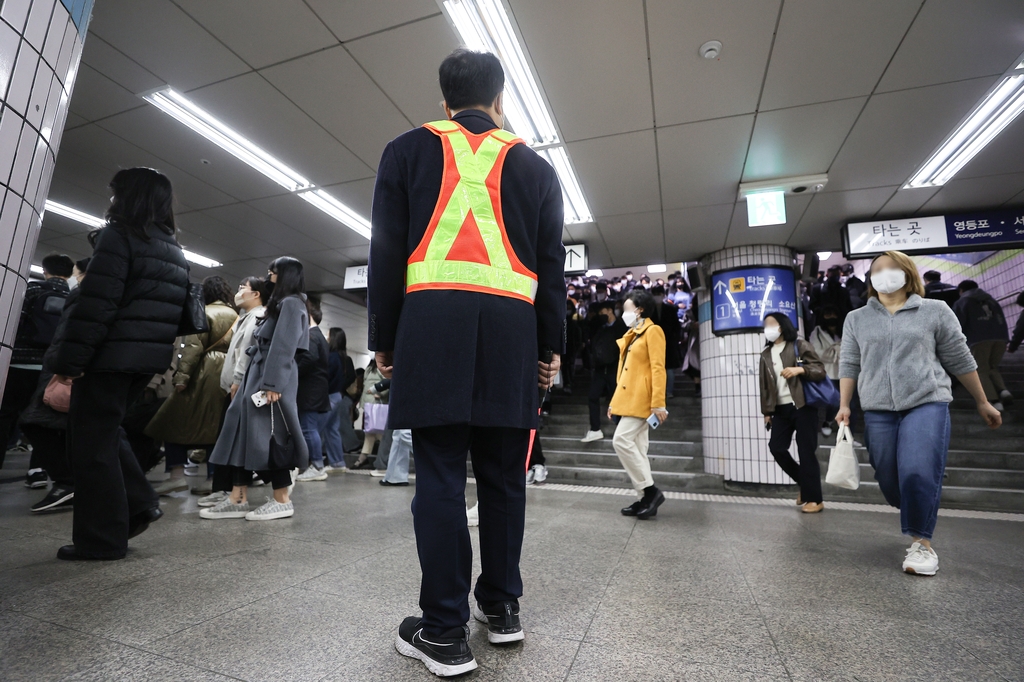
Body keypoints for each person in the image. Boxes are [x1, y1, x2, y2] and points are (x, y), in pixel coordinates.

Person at [367, 49, 564, 676]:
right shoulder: (535, 167)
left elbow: (387, 253)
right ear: (499, 99)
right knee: (505, 478)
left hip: (432, 329)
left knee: (442, 475)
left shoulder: (406, 150)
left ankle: (444, 630)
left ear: (444, 101)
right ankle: (502, 610)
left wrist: (385, 338)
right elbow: (553, 268)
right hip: (513, 335)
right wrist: (550, 347)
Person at [49, 168, 190, 560]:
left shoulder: (122, 235)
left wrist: (71, 361)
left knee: (90, 445)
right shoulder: (173, 249)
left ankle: (102, 540)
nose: (110, 200)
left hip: (110, 356)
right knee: (107, 434)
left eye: (115, 193)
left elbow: (98, 304)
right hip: (144, 361)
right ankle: (139, 504)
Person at [837, 250, 1001, 576]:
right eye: (877, 269)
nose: (883, 273)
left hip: (927, 402)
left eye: (891, 267)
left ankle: (922, 545)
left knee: (917, 470)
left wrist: (982, 400)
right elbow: (849, 363)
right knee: (888, 478)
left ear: (907, 272)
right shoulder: (857, 318)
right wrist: (844, 405)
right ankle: (915, 505)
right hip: (878, 409)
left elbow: (959, 357)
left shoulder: (935, 311)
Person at [202, 257, 310, 521]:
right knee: (243, 436)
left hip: (269, 378)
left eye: (272, 272)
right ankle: (237, 497)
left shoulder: (292, 303)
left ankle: (282, 500)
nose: (268, 276)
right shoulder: (281, 304)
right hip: (258, 375)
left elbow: (284, 346)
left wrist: (272, 384)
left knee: (271, 436)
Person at [144, 276, 237, 495]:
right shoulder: (236, 316)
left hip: (203, 371)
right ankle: (213, 477)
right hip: (228, 372)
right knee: (216, 426)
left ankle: (176, 475)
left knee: (172, 419)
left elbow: (193, 346)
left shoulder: (203, 312)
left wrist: (182, 378)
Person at [0, 252, 72, 480]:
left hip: (19, 362)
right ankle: (38, 471)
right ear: (69, 274)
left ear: (45, 270)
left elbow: (16, 322)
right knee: (41, 421)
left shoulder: (32, 289)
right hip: (50, 368)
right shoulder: (73, 297)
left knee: (5, 416)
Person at [759, 312, 828, 513]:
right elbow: (764, 386)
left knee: (806, 452)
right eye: (765, 325)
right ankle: (807, 486)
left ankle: (815, 499)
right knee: (776, 447)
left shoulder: (799, 345)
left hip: (803, 406)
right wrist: (766, 412)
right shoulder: (765, 354)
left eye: (771, 324)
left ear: (782, 326)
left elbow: (820, 369)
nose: (767, 328)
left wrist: (800, 370)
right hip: (780, 409)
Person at [609, 289, 668, 519]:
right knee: (639, 450)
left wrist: (658, 403)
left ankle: (651, 492)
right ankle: (643, 498)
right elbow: (624, 374)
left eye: (627, 309)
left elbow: (658, 368)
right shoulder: (633, 334)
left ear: (640, 309)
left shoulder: (653, 331)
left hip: (643, 401)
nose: (623, 313)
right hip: (629, 400)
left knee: (621, 441)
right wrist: (615, 403)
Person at [953, 280, 1011, 411]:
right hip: (1000, 338)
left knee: (980, 370)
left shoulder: (962, 302)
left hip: (978, 339)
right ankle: (1003, 391)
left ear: (961, 290)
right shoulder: (992, 301)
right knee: (992, 367)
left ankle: (994, 401)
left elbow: (957, 323)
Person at [296, 297, 332, 482]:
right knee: (311, 429)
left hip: (310, 390)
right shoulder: (319, 335)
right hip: (317, 389)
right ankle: (315, 464)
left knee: (309, 429)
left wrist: (293, 371)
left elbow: (309, 358)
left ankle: (317, 465)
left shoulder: (311, 335)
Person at [582, 302, 627, 442]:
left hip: (615, 368)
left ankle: (622, 430)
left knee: (618, 399)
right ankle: (595, 429)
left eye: (603, 313)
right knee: (593, 396)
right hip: (600, 368)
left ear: (610, 311)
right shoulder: (599, 328)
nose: (601, 316)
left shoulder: (621, 327)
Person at [325, 327, 360, 468]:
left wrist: (336, 385)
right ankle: (337, 459)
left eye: (328, 336)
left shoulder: (330, 357)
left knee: (318, 427)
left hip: (331, 395)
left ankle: (317, 461)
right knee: (333, 428)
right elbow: (351, 376)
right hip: (341, 396)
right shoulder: (347, 359)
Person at [809, 305, 842, 436]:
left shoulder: (844, 331)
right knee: (829, 401)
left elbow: (849, 352)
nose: (831, 318)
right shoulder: (816, 333)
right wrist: (837, 350)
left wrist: (832, 351)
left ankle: (831, 423)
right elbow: (818, 354)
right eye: (828, 315)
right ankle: (825, 422)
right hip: (825, 372)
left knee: (841, 402)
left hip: (842, 372)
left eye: (834, 314)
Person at [353, 358, 387, 470]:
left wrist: (381, 394)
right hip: (369, 405)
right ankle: (368, 459)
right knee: (372, 432)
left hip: (376, 404)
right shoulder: (370, 367)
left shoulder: (381, 367)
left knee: (377, 433)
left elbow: (388, 384)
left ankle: (371, 459)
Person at [651, 285, 682, 399]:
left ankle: (668, 391)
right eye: (655, 295)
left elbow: (676, 326)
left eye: (658, 294)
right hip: (653, 343)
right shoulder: (648, 310)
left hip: (668, 342)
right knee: (655, 369)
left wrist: (675, 339)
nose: (657, 297)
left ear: (663, 295)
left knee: (669, 369)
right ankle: (657, 392)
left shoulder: (670, 309)